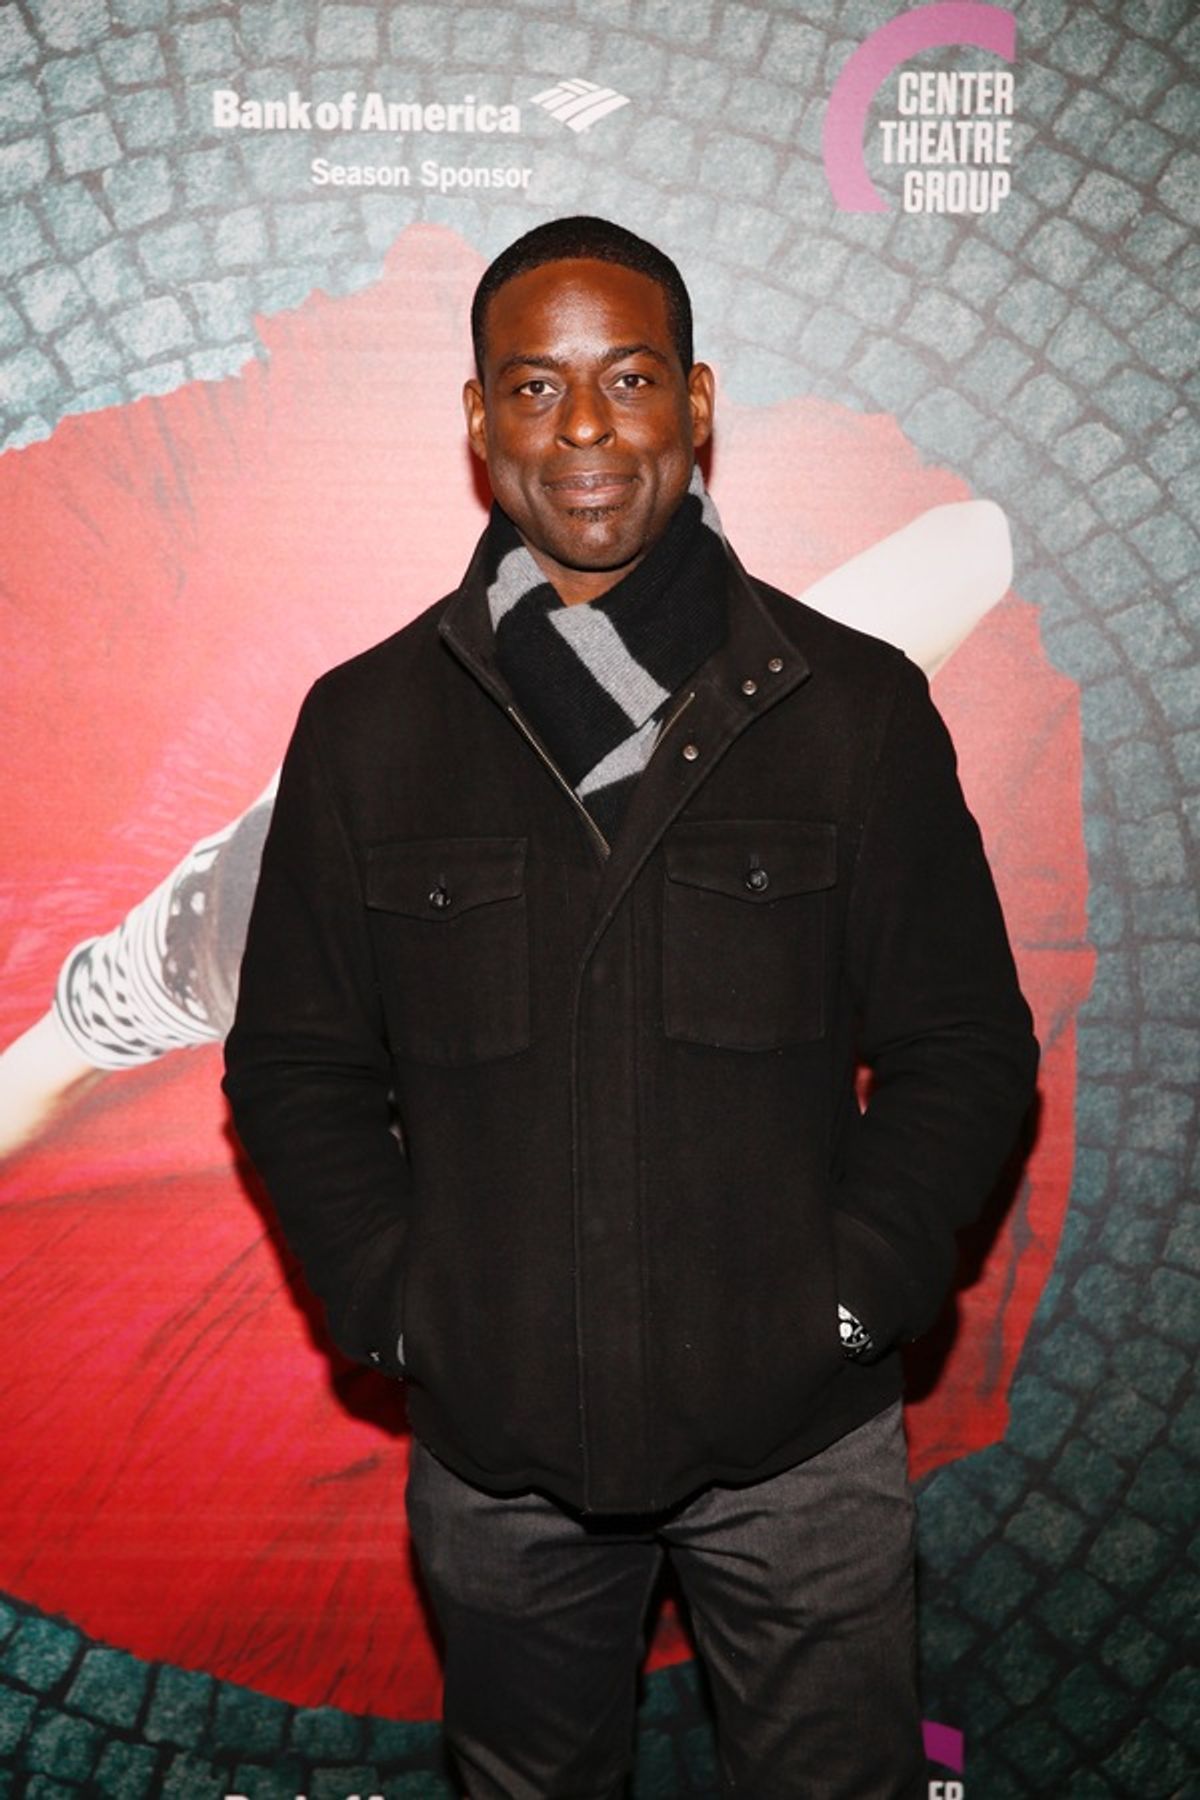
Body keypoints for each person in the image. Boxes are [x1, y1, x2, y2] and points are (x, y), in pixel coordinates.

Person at [222, 216, 1038, 1797]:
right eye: (533, 387)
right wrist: (400, 1308)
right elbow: (297, 1067)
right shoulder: (370, 728)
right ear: (477, 423)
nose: (583, 431)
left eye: (629, 380)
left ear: (699, 404)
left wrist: (858, 1294)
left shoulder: (851, 709)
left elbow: (964, 1047)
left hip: (800, 1449)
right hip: (502, 1462)